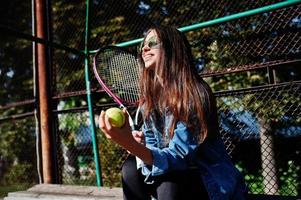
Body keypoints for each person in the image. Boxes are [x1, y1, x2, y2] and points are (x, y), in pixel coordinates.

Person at [99, 25, 248, 200]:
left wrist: (129, 144)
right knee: (130, 168)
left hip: (209, 185)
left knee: (170, 177)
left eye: (153, 43)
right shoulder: (151, 101)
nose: (145, 49)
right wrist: (140, 146)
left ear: (172, 48)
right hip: (174, 182)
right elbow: (155, 150)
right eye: (143, 45)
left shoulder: (195, 94)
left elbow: (178, 159)